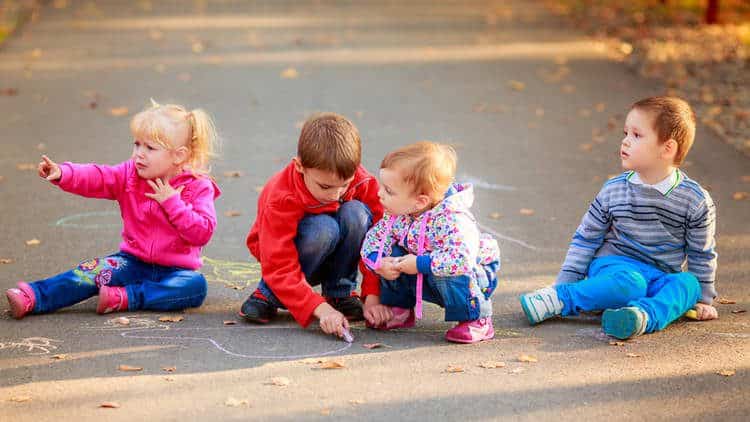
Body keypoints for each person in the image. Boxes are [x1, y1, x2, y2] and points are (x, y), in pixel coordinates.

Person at [519, 96, 718, 339]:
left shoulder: (695, 200)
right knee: (630, 283)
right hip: (614, 268)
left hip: (659, 276)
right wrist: (562, 286)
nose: (625, 141)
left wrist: (703, 299)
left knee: (688, 284)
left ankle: (639, 317)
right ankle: (562, 300)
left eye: (637, 135)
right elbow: (586, 238)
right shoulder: (614, 190)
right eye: (626, 133)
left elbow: (701, 252)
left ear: (667, 148)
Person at [6, 101, 221, 318]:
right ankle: (34, 296)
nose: (139, 154)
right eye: (137, 144)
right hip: (131, 263)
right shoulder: (130, 175)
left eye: (150, 148)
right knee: (90, 272)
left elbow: (201, 233)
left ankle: (126, 297)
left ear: (179, 155)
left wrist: (172, 203)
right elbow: (99, 177)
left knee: (195, 286)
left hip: (176, 271)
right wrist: (64, 173)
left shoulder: (197, 186)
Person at [241, 112, 382, 339]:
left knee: (356, 214)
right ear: (300, 167)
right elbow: (278, 262)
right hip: (286, 260)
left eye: (344, 185)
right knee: (324, 228)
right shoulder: (281, 196)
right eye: (325, 187)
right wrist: (320, 309)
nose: (336, 194)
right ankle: (269, 292)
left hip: (333, 254)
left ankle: (340, 292)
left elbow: (382, 238)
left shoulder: (362, 181)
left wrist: (373, 295)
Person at [360, 141, 500, 343]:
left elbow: (460, 261)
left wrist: (418, 263)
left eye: (389, 191)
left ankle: (477, 318)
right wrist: (378, 262)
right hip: (425, 269)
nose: (379, 194)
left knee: (448, 270)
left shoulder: (452, 219)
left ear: (420, 201)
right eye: (382, 186)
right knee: (391, 254)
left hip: (471, 275)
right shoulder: (398, 214)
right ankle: (400, 308)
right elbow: (374, 240)